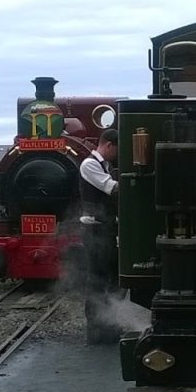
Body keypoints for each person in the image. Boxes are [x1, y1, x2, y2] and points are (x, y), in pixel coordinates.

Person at [80, 129, 120, 342]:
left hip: (105, 229)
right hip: (94, 230)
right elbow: (111, 189)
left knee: (110, 277)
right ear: (109, 145)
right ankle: (96, 329)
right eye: (117, 150)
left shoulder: (105, 166)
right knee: (97, 278)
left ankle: (109, 323)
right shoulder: (89, 164)